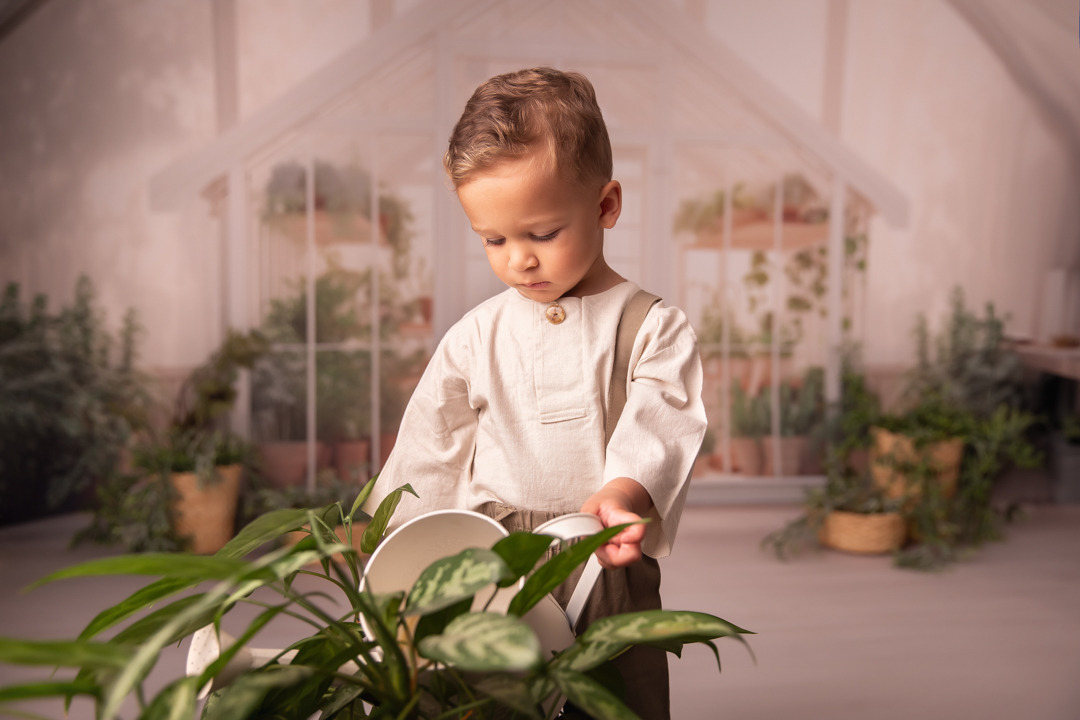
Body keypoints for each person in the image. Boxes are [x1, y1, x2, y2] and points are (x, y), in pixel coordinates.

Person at [367, 66, 706, 718]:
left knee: (612, 697)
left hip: (601, 555)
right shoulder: (476, 336)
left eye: (541, 235)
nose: (517, 260)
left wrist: (626, 491)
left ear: (605, 206)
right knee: (492, 700)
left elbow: (663, 418)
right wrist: (391, 536)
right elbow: (431, 447)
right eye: (493, 240)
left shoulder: (649, 327)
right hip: (490, 556)